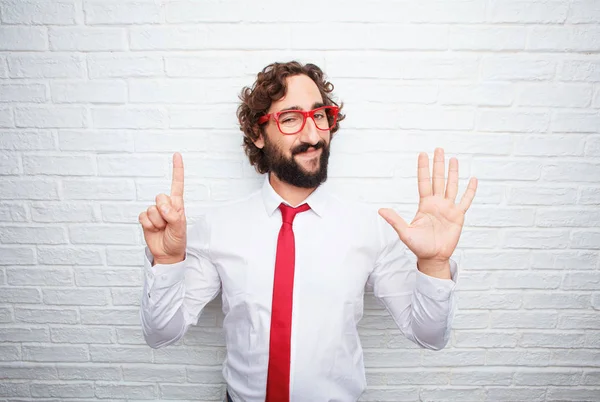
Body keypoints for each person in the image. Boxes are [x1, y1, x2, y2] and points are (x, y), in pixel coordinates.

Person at [138, 61, 478, 402]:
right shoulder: (218, 228)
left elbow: (429, 336)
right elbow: (161, 334)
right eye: (290, 119)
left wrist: (434, 263)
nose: (313, 135)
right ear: (257, 134)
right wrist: (167, 261)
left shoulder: (370, 229)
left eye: (319, 115)